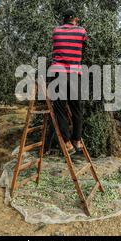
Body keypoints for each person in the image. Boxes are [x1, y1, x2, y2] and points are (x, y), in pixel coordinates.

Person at [49, 8, 88, 155]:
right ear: (75, 19)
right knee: (77, 108)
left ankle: (67, 143)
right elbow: (84, 45)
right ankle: (77, 140)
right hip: (73, 74)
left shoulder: (56, 31)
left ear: (63, 19)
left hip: (58, 73)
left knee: (59, 108)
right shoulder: (81, 31)